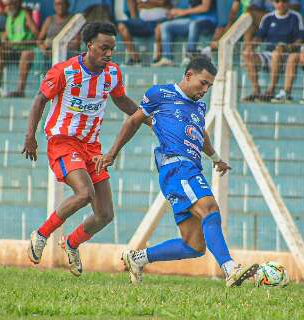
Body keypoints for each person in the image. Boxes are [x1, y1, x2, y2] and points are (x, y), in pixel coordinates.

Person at [97, 56, 259, 287]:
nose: (205, 90)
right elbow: (133, 122)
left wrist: (216, 159)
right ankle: (230, 269)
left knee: (194, 246)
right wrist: (112, 153)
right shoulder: (160, 94)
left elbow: (200, 135)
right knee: (210, 209)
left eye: (209, 86)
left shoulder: (199, 107)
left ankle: (137, 258)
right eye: (203, 83)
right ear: (189, 74)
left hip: (191, 168)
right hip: (176, 166)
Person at [24, 22, 146, 276]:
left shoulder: (112, 74)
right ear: (89, 45)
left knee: (105, 214)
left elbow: (121, 100)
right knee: (83, 194)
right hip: (63, 141)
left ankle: (71, 243)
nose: (109, 53)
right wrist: (30, 136)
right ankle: (42, 234)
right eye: (104, 48)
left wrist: (147, 117)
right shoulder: (64, 72)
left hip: (91, 146)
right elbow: (39, 100)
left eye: (112, 48)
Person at [242, 0, 304, 102]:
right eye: (277, 1)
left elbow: (300, 40)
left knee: (276, 53)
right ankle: (256, 91)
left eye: (284, 2)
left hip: (287, 55)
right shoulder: (267, 18)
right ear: (273, 3)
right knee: (247, 54)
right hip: (268, 54)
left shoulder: (296, 17)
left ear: (288, 3)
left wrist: (286, 47)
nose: (280, 4)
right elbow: (259, 37)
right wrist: (250, 47)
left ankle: (271, 90)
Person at [0, 0, 39, 97]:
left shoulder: (25, 14)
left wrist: (19, 43)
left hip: (26, 49)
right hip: (13, 50)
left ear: (17, 4)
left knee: (26, 54)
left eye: (12, 4)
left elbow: (36, 33)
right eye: (7, 5)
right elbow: (6, 36)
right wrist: (3, 43)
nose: (9, 6)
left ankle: (20, 90)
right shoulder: (9, 17)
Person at [152, 0, 217, 67]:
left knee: (193, 24)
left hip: (209, 21)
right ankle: (167, 58)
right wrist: (175, 13)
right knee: (165, 26)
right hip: (192, 20)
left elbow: (205, 7)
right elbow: (189, 9)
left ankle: (190, 55)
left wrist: (183, 11)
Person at [117, 0, 170, 65]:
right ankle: (135, 59)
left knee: (160, 27)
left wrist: (145, 3)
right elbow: (138, 4)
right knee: (121, 26)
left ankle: (157, 60)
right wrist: (134, 17)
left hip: (160, 21)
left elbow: (162, 2)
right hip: (142, 22)